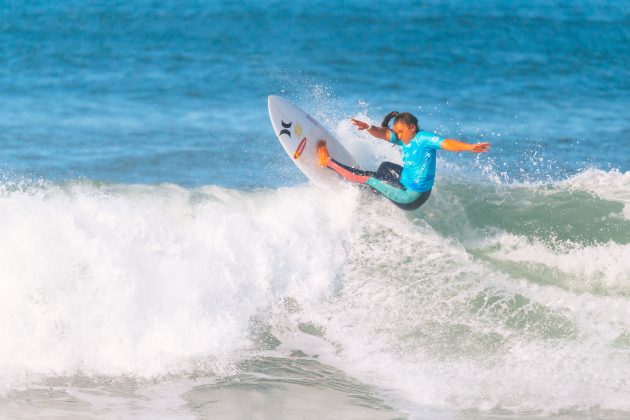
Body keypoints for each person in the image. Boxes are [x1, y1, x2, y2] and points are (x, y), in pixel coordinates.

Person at [316, 111, 490, 210]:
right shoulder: (404, 138)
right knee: (385, 166)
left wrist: (469, 147)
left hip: (411, 196)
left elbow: (447, 143)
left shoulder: (424, 139)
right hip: (408, 183)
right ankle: (372, 193)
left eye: (400, 131)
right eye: (397, 132)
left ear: (412, 128)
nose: (398, 136)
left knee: (369, 176)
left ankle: (328, 162)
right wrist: (368, 127)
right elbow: (383, 133)